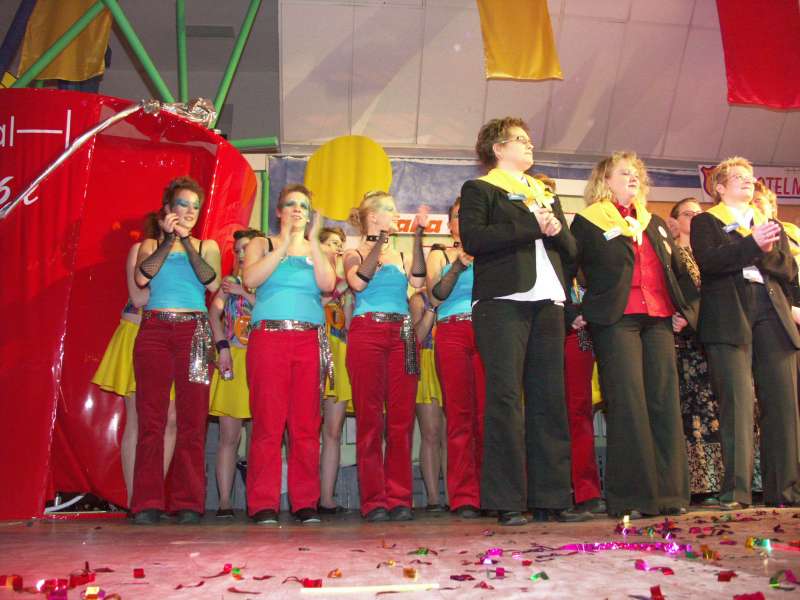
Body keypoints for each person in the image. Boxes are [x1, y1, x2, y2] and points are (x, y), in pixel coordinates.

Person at [459, 117, 585, 526]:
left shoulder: (544, 192)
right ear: (498, 148)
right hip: (502, 302)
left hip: (548, 301)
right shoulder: (480, 189)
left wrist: (555, 229)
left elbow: (571, 250)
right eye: (520, 140)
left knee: (549, 398)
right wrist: (533, 225)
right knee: (506, 399)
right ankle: (507, 500)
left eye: (530, 140)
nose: (530, 145)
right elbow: (475, 239)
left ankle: (553, 496)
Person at [570, 152, 697, 519]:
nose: (633, 178)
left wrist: (686, 312)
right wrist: (575, 310)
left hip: (658, 319)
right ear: (605, 180)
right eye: (624, 172)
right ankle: (633, 497)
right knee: (628, 405)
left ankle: (670, 493)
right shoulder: (589, 221)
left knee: (663, 402)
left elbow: (680, 272)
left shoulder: (653, 222)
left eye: (637, 173)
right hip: (616, 319)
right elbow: (568, 267)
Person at [691, 157, 800, 509]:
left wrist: (760, 248)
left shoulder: (769, 223)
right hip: (729, 313)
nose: (748, 181)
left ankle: (784, 490)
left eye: (751, 177)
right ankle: (736, 492)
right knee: (737, 404)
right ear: (720, 187)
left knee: (782, 403)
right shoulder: (706, 221)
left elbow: (787, 269)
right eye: (738, 176)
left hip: (772, 310)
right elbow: (711, 262)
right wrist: (752, 244)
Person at [242, 184, 335, 524]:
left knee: (306, 425)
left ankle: (305, 501)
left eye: (304, 206)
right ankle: (263, 503)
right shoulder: (262, 243)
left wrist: (312, 240)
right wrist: (283, 243)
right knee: (268, 423)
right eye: (292, 204)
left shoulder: (316, 249)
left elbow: (328, 285)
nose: (298, 209)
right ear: (279, 211)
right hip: (269, 338)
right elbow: (250, 278)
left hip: (308, 339)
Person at [131, 176, 221, 525]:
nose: (190, 211)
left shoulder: (207, 245)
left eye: (195, 206)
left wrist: (186, 241)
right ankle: (147, 502)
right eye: (183, 204)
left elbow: (212, 281)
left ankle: (188, 501)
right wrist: (169, 240)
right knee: (151, 419)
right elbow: (142, 278)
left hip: (194, 331)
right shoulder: (150, 244)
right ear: (168, 208)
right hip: (155, 329)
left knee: (192, 420)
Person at [343, 191, 427, 522]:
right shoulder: (353, 252)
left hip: (403, 333)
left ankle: (400, 497)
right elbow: (358, 284)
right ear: (373, 217)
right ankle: (374, 500)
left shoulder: (400, 253)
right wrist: (377, 243)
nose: (396, 215)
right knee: (370, 419)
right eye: (390, 210)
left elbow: (418, 280)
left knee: (401, 420)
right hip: (367, 333)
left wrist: (418, 236)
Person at [92, 214, 177, 505]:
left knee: (171, 419)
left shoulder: (190, 253)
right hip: (137, 332)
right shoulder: (140, 250)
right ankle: (134, 500)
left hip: (174, 338)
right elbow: (138, 297)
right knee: (139, 419)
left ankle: (153, 497)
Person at [427, 199, 485, 519]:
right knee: (459, 416)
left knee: (488, 416)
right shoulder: (440, 253)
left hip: (488, 332)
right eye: (458, 216)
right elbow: (434, 296)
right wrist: (459, 265)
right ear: (450, 225)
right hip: (451, 331)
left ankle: (493, 492)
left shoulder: (491, 253)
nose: (464, 220)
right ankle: (464, 496)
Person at [667, 198, 724, 504]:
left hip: (715, 336)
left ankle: (727, 479)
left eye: (699, 214)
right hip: (685, 342)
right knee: (694, 411)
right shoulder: (672, 252)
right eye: (688, 214)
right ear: (675, 221)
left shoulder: (711, 252)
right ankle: (700, 483)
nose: (695, 218)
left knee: (718, 408)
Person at [208, 228, 264, 517]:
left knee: (260, 436)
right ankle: (224, 501)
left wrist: (245, 293)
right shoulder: (229, 282)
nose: (243, 254)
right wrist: (222, 347)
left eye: (248, 248)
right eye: (238, 249)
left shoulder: (266, 281)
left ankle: (259, 501)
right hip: (233, 358)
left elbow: (270, 310)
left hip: (261, 359)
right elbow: (214, 313)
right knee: (228, 436)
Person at [319, 226, 353, 514]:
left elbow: (349, 325)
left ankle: (326, 497)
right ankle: (303, 495)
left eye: (340, 243)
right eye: (331, 243)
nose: (338, 248)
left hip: (339, 354)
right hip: (312, 350)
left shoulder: (347, 284)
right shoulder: (311, 278)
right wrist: (338, 290)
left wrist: (348, 296)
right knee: (302, 430)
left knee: (333, 430)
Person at [409, 289, 446, 512]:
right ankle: (433, 498)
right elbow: (417, 337)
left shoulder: (457, 297)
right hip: (427, 361)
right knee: (431, 432)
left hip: (449, 360)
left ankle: (454, 497)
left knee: (451, 433)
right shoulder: (418, 299)